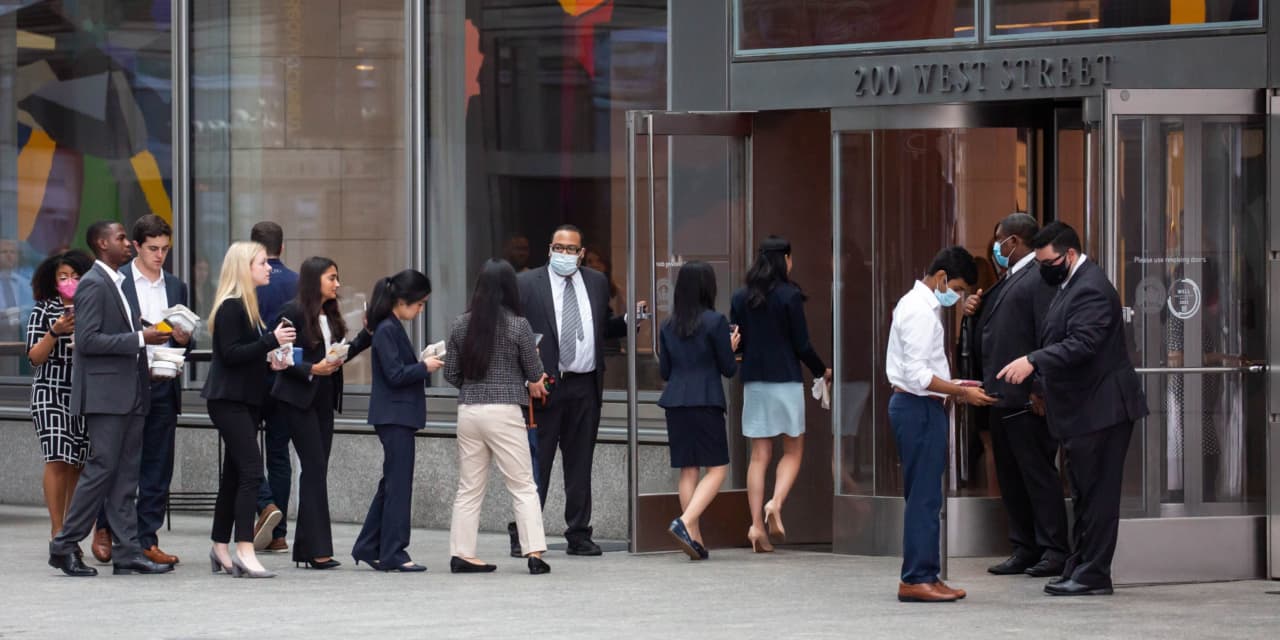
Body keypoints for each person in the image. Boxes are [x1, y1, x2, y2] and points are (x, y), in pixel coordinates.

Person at [998, 221, 1148, 596]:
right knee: (1083, 493)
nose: (1043, 270)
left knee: (1097, 495)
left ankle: (1093, 573)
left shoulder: (1091, 288)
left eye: (1047, 263)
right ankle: (1080, 566)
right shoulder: (1069, 284)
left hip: (1102, 409)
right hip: (1084, 410)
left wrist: (1033, 361)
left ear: (1069, 255)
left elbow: (1083, 344)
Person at [48, 221, 174, 577]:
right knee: (102, 470)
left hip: (131, 392)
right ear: (103, 244)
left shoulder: (115, 282)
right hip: (106, 397)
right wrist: (141, 338)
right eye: (121, 238)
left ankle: (128, 552)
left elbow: (116, 333)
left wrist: (150, 334)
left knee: (125, 476)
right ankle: (63, 545)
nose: (127, 244)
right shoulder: (92, 283)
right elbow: (88, 341)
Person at [516, 224, 635, 556]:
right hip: (545, 385)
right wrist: (528, 377)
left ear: (581, 253)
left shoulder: (596, 282)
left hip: (585, 384)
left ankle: (579, 533)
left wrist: (628, 322)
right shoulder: (528, 283)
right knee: (537, 463)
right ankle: (524, 532)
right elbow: (514, 333)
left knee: (580, 463)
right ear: (549, 249)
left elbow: (600, 326)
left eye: (571, 249)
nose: (564, 254)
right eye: (559, 248)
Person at [962, 213, 1070, 578]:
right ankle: (1024, 546)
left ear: (1014, 241)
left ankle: (1054, 549)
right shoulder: (1008, 278)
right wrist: (973, 312)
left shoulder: (1038, 275)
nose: (995, 247)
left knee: (1037, 474)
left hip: (1026, 396)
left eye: (999, 240)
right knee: (1011, 476)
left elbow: (1049, 333)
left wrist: (1039, 385)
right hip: (1001, 393)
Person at [886, 245, 994, 603]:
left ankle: (927, 573)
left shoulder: (919, 306)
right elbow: (919, 375)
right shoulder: (920, 311)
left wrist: (956, 386)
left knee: (927, 495)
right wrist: (961, 393)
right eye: (958, 288)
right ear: (942, 277)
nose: (958, 297)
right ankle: (917, 577)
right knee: (924, 497)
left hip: (921, 405)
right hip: (918, 406)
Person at [443, 259, 551, 575]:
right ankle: (534, 552)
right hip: (505, 411)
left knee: (469, 487)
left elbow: (451, 373)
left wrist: (475, 388)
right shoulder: (519, 326)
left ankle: (462, 553)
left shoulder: (461, 324)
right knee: (522, 484)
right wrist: (533, 364)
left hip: (469, 410)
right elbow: (534, 374)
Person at [730, 235, 831, 553]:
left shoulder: (740, 297)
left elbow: (737, 343)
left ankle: (756, 527)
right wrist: (821, 370)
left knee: (759, 455)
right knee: (793, 450)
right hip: (786, 380)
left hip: (754, 382)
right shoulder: (790, 295)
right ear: (785, 259)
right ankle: (775, 502)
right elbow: (802, 344)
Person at [203, 241, 296, 579]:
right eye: (261, 263)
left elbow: (245, 354)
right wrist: (271, 341)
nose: (269, 267)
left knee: (235, 474)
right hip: (229, 401)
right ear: (245, 268)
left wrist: (271, 359)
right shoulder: (231, 306)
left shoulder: (248, 305)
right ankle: (244, 548)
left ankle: (219, 546)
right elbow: (230, 354)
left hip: (244, 400)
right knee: (252, 471)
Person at [271, 257, 372, 569]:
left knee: (317, 469)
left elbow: (339, 355)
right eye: (331, 278)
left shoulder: (331, 314)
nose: (337, 284)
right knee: (314, 467)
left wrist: (366, 335)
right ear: (315, 280)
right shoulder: (292, 312)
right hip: (297, 398)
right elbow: (278, 357)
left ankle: (306, 549)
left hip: (324, 399)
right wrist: (312, 368)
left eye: (337, 278)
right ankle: (317, 551)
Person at [351, 269, 442, 572]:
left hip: (394, 414)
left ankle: (368, 545)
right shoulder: (387, 328)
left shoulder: (387, 326)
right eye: (420, 304)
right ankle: (394, 552)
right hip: (395, 415)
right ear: (402, 301)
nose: (421, 310)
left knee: (392, 483)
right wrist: (424, 367)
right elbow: (395, 374)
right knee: (399, 486)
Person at [119, 215, 193, 567]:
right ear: (136, 246)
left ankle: (146, 539)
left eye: (165, 248)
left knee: (158, 466)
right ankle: (109, 530)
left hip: (164, 380)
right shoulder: (118, 282)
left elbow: (186, 342)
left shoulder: (176, 286)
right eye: (152, 248)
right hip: (126, 382)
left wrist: (183, 339)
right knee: (119, 463)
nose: (159, 255)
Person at [658, 261, 739, 561]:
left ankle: (695, 539)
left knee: (688, 469)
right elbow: (728, 368)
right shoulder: (715, 321)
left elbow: (665, 371)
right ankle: (685, 521)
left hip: (675, 402)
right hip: (705, 400)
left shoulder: (667, 324)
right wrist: (731, 347)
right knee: (718, 469)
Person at [25, 250, 94, 540]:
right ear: (53, 281)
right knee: (57, 457)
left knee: (77, 461)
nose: (69, 282)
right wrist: (55, 332)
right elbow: (34, 357)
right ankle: (57, 530)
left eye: (76, 277)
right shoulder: (43, 309)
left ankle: (72, 530)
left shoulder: (91, 305)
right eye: (63, 277)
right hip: (50, 389)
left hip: (84, 389)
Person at [250, 221, 297, 552]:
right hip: (285, 376)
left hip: (250, 374)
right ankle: (278, 534)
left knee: (245, 448)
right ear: (282, 247)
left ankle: (265, 504)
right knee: (279, 453)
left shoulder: (247, 282)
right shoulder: (297, 282)